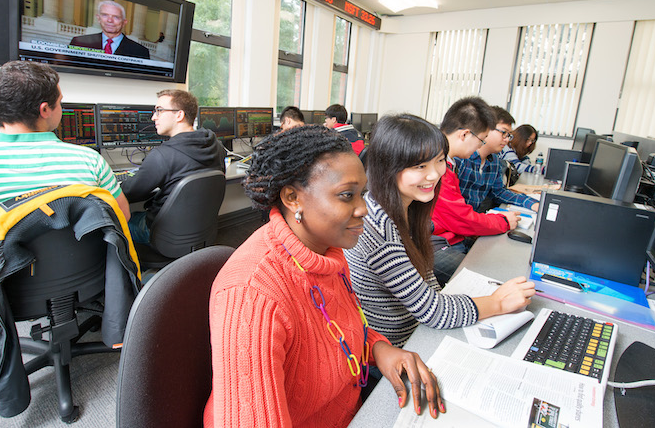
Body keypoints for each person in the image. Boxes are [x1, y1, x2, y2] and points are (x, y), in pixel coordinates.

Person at [204, 125, 445, 428]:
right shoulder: (251, 295)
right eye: (346, 196)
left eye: (362, 194)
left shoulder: (327, 249)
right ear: (293, 197)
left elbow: (335, 328)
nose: (363, 209)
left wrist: (379, 348)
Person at [344, 114, 535, 348]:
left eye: (439, 161)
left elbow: (426, 278)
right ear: (388, 168)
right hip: (399, 345)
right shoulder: (378, 226)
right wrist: (497, 303)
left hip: (417, 330)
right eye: (420, 166)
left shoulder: (407, 207)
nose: (435, 174)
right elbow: (432, 311)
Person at [0, 60, 130, 231]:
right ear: (45, 109)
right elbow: (122, 215)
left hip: (6, 283)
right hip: (86, 279)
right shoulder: (90, 161)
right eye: (60, 102)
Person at [430, 97, 520, 285]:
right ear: (464, 135)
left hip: (449, 236)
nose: (481, 146)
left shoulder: (447, 162)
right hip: (433, 243)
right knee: (489, 280)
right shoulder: (435, 166)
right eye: (481, 140)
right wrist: (503, 221)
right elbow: (460, 218)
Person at [122, 89, 225, 244]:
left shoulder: (163, 155)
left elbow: (129, 192)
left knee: (116, 221)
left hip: (162, 233)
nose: (153, 117)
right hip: (201, 229)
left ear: (179, 115)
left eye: (159, 111)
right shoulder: (217, 146)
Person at [457, 106, 540, 213]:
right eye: (503, 133)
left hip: (473, 221)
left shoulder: (494, 161)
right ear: (485, 128)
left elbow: (499, 192)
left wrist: (532, 203)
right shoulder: (462, 158)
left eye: (509, 135)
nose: (506, 140)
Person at [69, 0, 150, 59]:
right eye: (105, 15)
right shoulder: (78, 43)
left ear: (124, 22)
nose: (110, 20)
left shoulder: (140, 51)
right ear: (98, 18)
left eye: (116, 17)